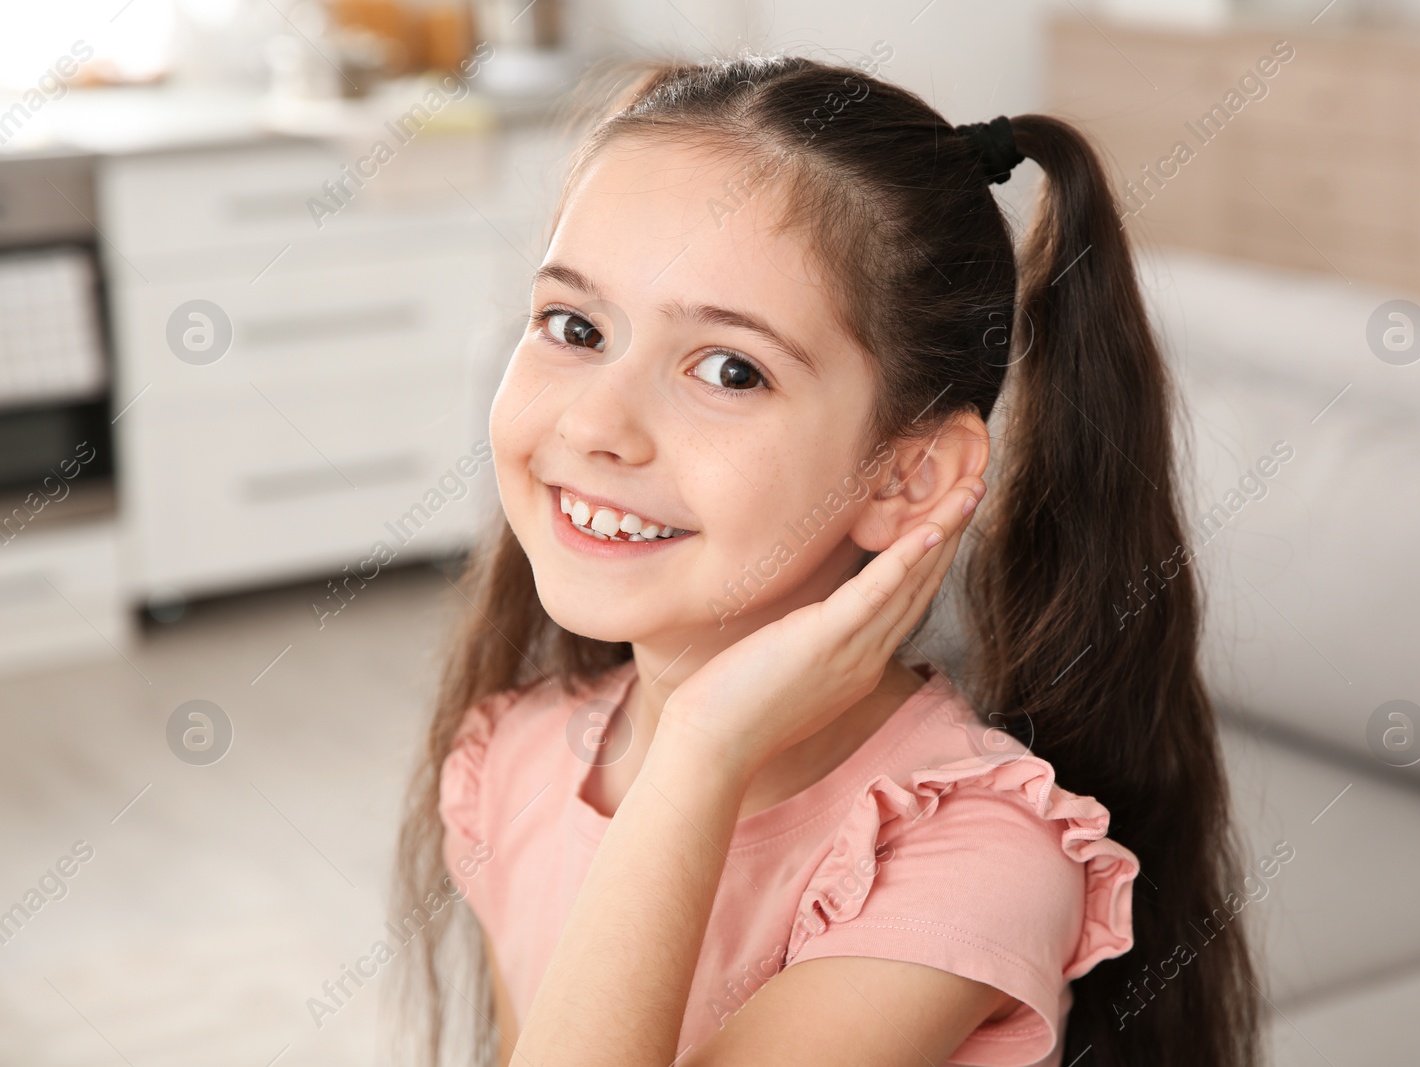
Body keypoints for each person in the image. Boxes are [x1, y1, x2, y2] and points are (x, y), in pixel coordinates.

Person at [389, 52, 1260, 1067]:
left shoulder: (971, 861)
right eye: (574, 326)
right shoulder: (516, 760)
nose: (594, 422)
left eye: (728, 368)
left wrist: (702, 745)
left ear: (908, 477)